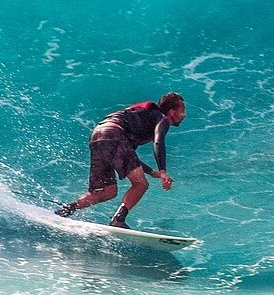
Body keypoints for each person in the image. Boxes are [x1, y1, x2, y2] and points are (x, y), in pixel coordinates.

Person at [53, 92, 186, 229]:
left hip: (98, 134)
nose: (184, 115)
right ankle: (119, 219)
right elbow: (158, 142)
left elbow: (128, 153)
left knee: (108, 191)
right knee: (140, 184)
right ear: (172, 111)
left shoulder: (143, 119)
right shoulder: (162, 119)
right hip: (114, 134)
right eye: (182, 111)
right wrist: (163, 171)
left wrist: (152, 172)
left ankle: (67, 209)